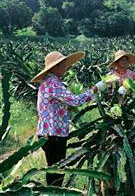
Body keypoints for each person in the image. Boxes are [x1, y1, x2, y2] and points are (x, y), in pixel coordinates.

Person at [31, 51, 107, 186]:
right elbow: (76, 101)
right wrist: (95, 89)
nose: (66, 68)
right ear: (55, 67)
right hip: (54, 134)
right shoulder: (53, 84)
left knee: (54, 168)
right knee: (56, 169)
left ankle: (53, 192)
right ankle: (54, 193)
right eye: (64, 65)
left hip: (48, 132)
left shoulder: (47, 83)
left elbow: (54, 104)